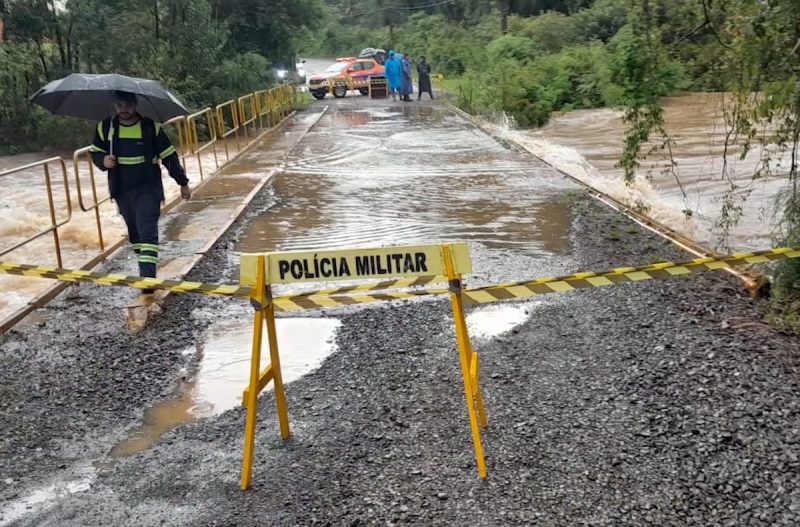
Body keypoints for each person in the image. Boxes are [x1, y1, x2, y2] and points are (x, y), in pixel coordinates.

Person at [90, 90, 191, 287]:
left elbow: (169, 158)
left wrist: (183, 183)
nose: (123, 109)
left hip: (148, 188)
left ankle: (147, 280)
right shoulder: (106, 128)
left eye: (127, 105)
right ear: (114, 105)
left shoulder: (151, 128)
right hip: (121, 189)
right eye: (119, 105)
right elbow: (95, 151)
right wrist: (102, 160)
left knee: (147, 232)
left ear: (135, 105)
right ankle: (144, 267)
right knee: (135, 234)